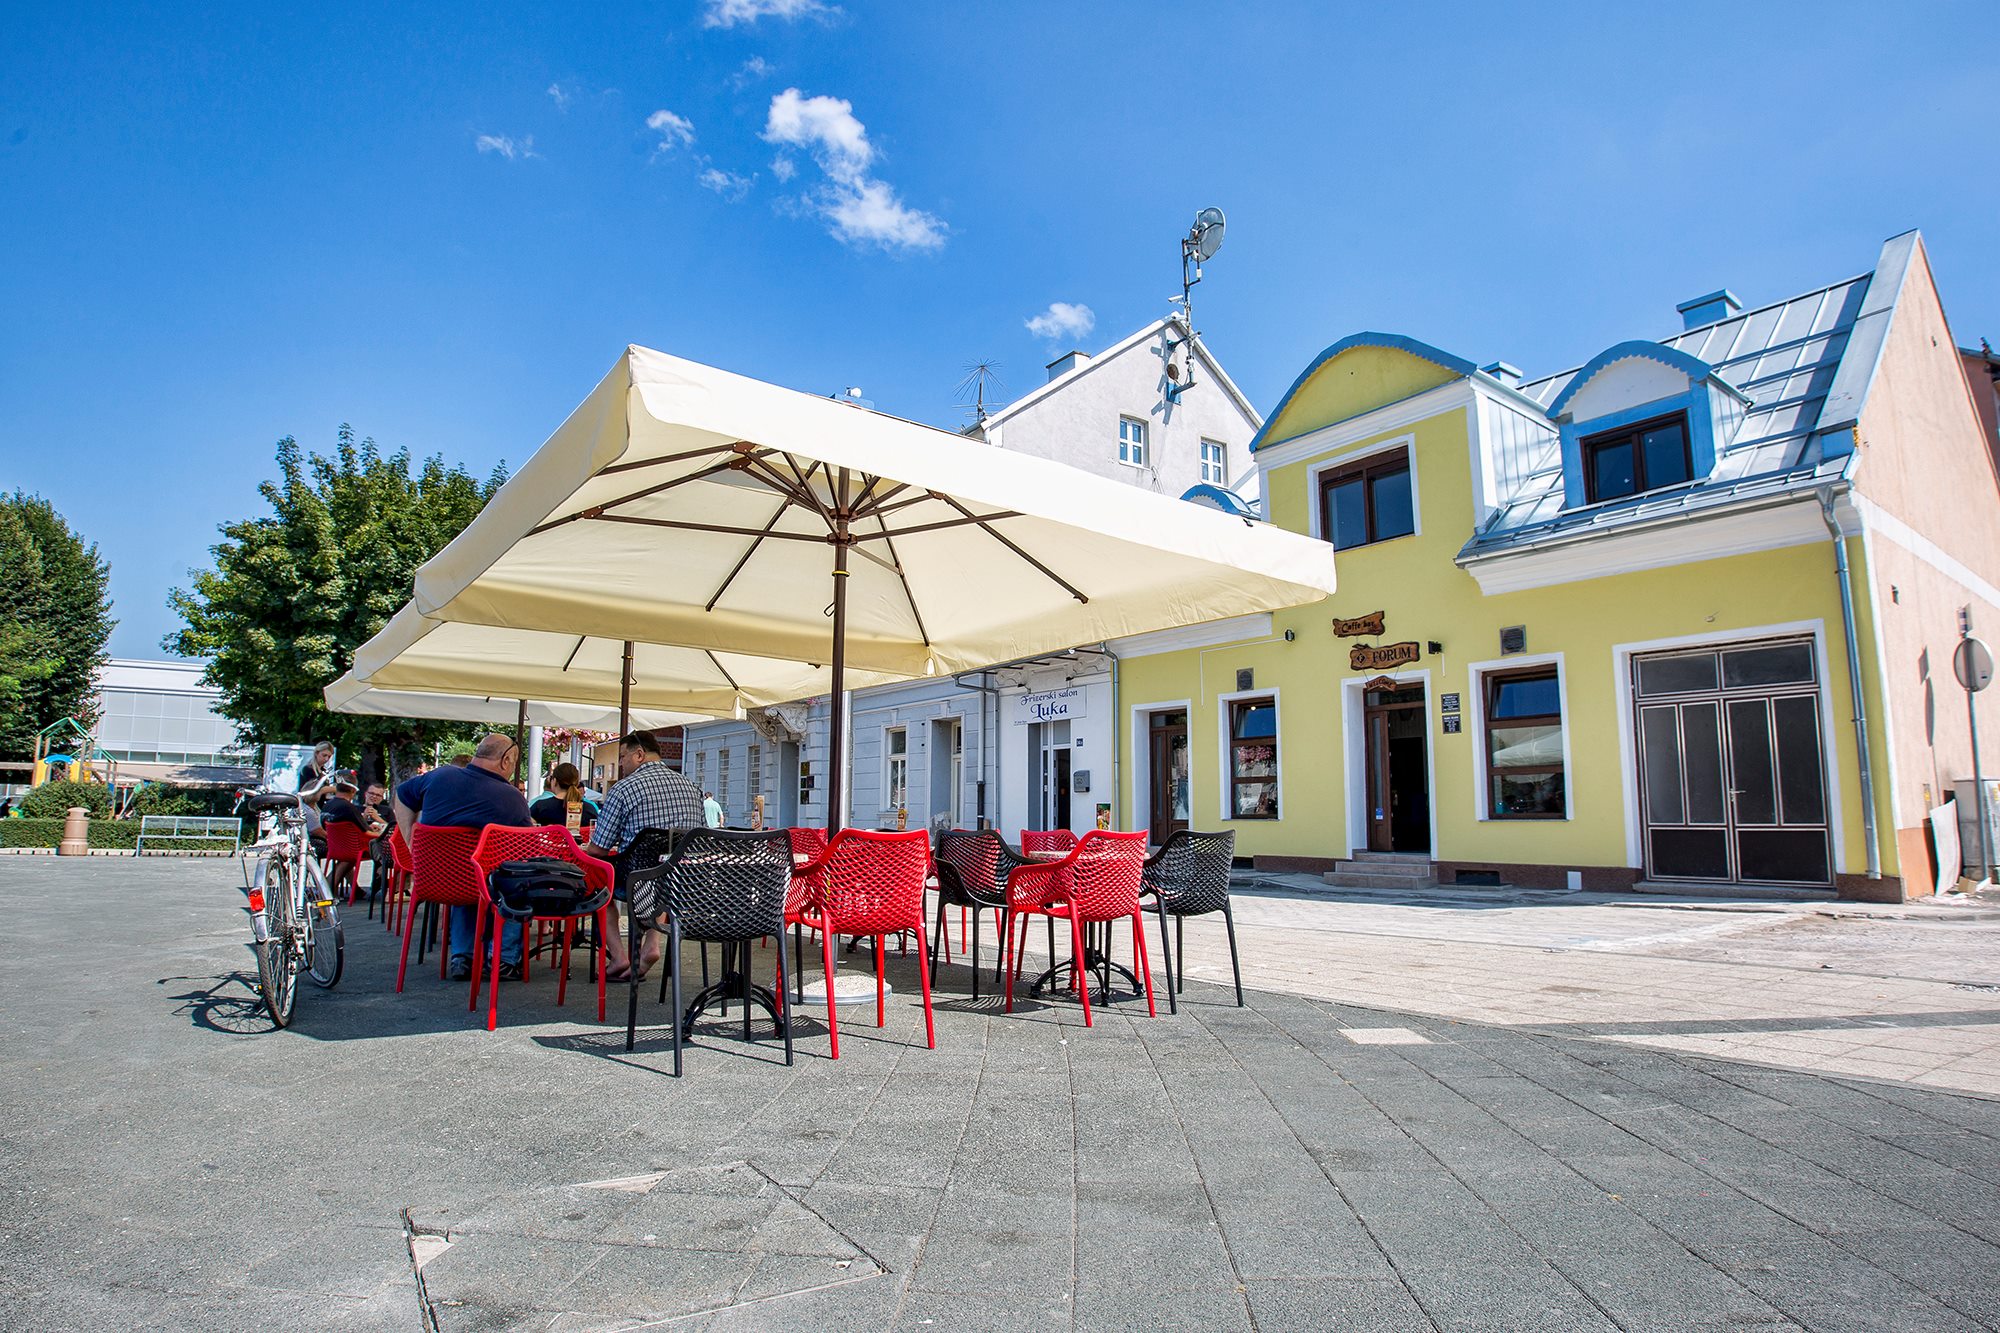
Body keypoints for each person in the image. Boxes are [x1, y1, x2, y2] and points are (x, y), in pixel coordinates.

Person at [394, 733, 532, 983]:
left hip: (431, 879)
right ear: (506, 760)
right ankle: (503, 959)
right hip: (480, 884)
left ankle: (462, 957)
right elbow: (525, 848)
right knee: (515, 885)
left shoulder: (439, 776)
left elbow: (402, 795)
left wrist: (409, 841)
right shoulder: (511, 797)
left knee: (465, 878)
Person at [584, 731, 703, 980]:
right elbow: (699, 838)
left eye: (622, 757)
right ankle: (651, 944)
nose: (620, 764)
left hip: (634, 879)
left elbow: (598, 849)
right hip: (681, 883)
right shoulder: (692, 788)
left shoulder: (624, 789)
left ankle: (618, 956)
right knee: (661, 871)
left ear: (639, 754)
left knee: (597, 885)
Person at [531, 762, 600, 834]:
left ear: (554, 781)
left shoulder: (540, 807)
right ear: (577, 783)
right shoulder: (590, 809)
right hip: (580, 842)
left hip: (548, 841)